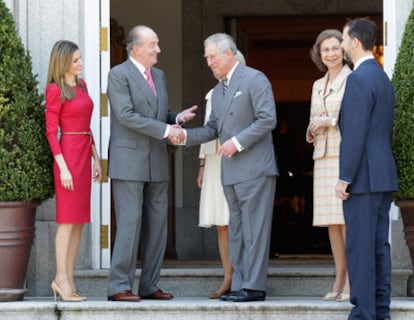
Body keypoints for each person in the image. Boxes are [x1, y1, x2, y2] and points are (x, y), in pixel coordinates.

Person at [170, 33, 278, 302]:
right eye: (206, 57)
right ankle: (241, 285)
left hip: (255, 168)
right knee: (238, 232)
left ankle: (254, 287)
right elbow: (213, 129)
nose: (208, 62)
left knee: (255, 230)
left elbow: (267, 119)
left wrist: (236, 143)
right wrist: (184, 136)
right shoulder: (218, 91)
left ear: (229, 54)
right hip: (230, 172)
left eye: (212, 56)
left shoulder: (255, 79)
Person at [106, 25, 197, 302]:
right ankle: (119, 286)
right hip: (128, 160)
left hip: (157, 159)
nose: (158, 49)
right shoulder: (118, 74)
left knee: (158, 226)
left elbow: (157, 114)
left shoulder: (158, 75)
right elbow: (127, 115)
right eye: (153, 44)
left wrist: (175, 118)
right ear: (136, 48)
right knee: (130, 224)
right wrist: (167, 131)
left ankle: (149, 285)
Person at [335, 18, 398, 320]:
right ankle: (380, 310)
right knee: (378, 247)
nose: (343, 45)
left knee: (361, 248)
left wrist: (344, 177)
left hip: (363, 177)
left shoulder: (359, 79)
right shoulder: (382, 76)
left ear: (356, 42)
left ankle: (364, 313)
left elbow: (356, 133)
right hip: (382, 174)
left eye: (345, 40)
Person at [45, 40, 102, 302]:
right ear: (64, 61)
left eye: (80, 59)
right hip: (67, 156)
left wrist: (97, 159)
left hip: (83, 152)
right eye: (76, 60)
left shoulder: (82, 86)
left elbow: (87, 127)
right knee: (67, 221)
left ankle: (69, 278)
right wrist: (63, 167)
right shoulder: (55, 90)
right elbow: (50, 132)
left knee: (79, 222)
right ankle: (60, 279)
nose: (80, 63)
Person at [306, 29, 352, 302]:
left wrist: (330, 122)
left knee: (346, 222)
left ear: (343, 50)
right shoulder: (316, 84)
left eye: (335, 48)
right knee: (331, 224)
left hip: (342, 154)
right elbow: (314, 118)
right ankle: (339, 275)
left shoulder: (352, 79)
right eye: (325, 50)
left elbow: (354, 119)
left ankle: (351, 281)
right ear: (319, 54)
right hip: (322, 157)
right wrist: (312, 129)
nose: (331, 54)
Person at [196, 50, 246, 299]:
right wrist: (202, 165)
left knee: (238, 221)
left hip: (238, 159)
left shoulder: (248, 89)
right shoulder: (212, 95)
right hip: (215, 162)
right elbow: (208, 130)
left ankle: (243, 277)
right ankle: (228, 275)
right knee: (222, 224)